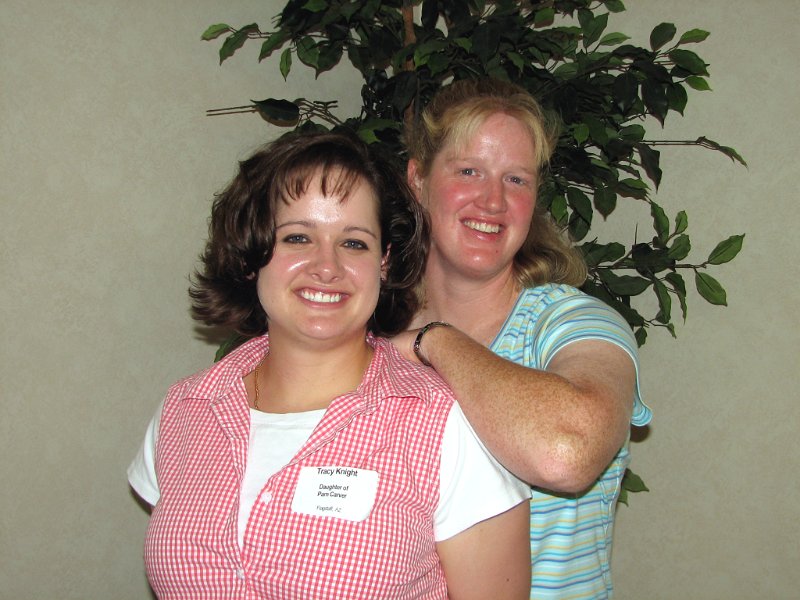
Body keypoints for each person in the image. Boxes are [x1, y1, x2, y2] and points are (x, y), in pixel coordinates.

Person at [127, 130, 532, 599]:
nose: (327, 267)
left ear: (384, 262)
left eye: (354, 243)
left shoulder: (445, 426)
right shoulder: (184, 412)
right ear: (252, 254)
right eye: (298, 237)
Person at [391, 78, 653, 598]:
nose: (493, 200)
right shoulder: (376, 332)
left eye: (516, 179)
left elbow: (566, 452)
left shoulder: (577, 325)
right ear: (418, 180)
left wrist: (434, 342)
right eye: (469, 171)